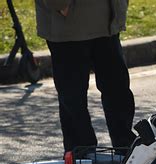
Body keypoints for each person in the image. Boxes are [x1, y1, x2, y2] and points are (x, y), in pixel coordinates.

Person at [35, 0, 136, 152]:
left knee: (118, 91)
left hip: (107, 20)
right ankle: (81, 158)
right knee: (73, 97)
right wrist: (59, 4)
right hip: (68, 24)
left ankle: (127, 151)